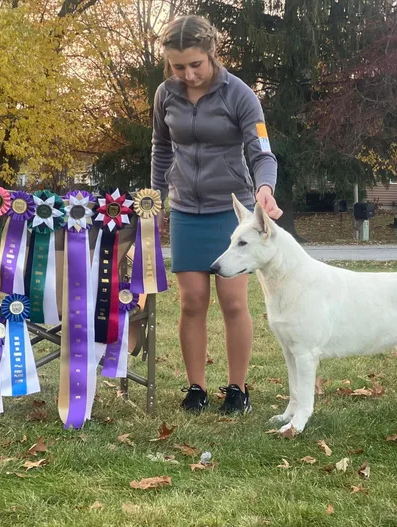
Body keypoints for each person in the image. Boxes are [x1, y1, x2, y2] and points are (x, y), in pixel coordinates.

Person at [151, 14, 282, 414]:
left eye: (196, 64)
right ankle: (196, 388)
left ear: (212, 54)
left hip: (232, 213)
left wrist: (264, 188)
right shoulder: (165, 95)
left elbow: (261, 151)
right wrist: (154, 203)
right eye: (178, 66)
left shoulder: (240, 94)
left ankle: (238, 389)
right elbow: (160, 150)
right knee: (192, 302)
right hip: (186, 210)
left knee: (233, 302)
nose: (188, 74)